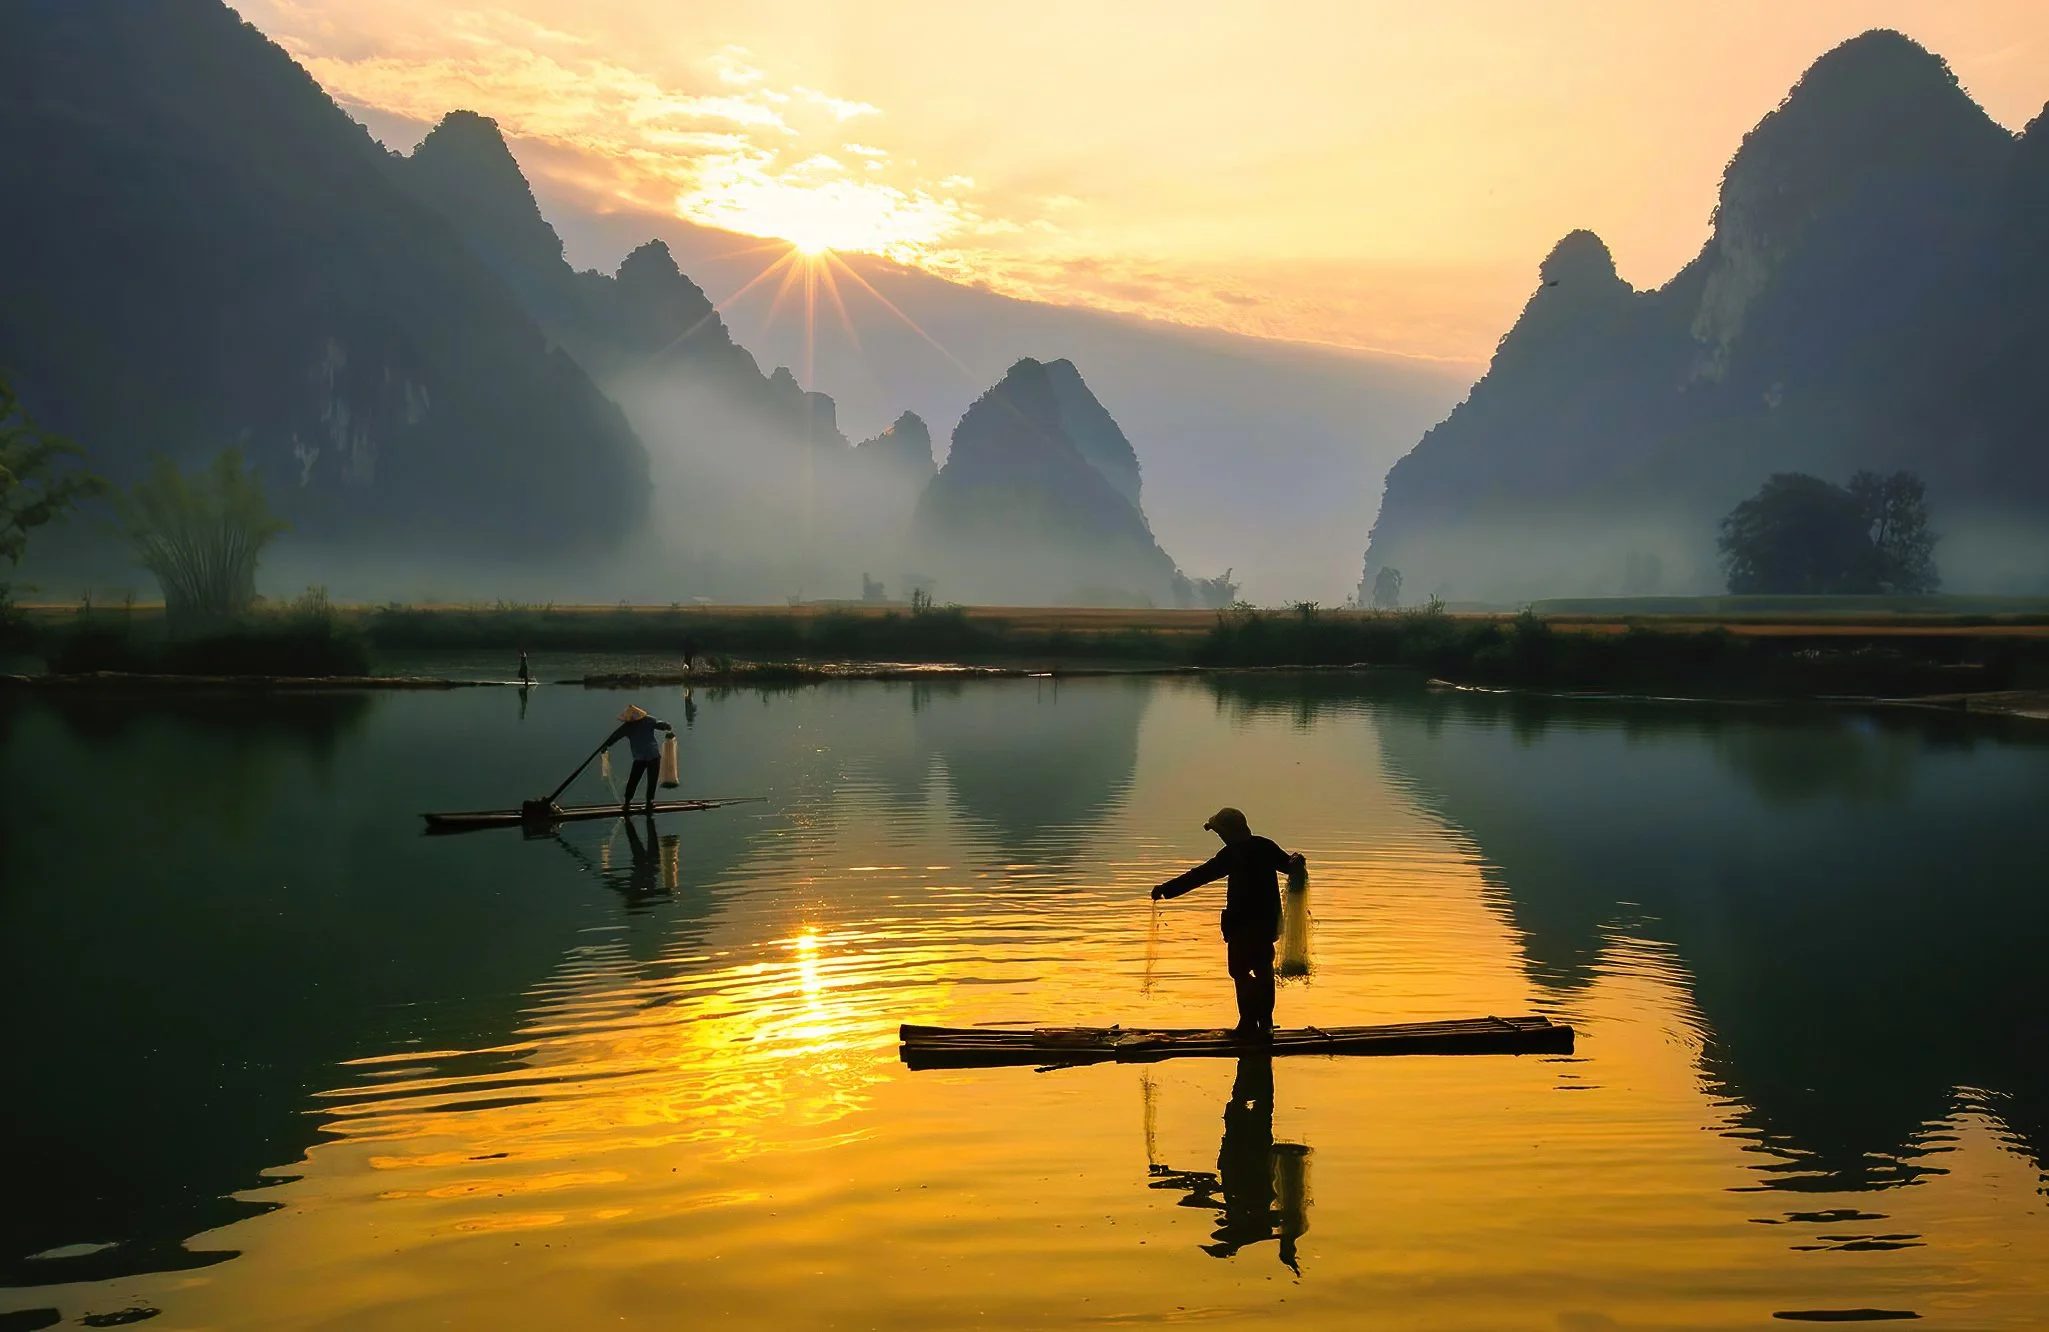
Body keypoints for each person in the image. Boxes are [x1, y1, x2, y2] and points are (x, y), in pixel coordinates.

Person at [1151, 807, 1306, 1038]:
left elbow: (1200, 875)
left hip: (1243, 926)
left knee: (1241, 972)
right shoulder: (1264, 846)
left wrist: (1166, 890)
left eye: (1220, 832)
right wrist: (1296, 861)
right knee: (1262, 971)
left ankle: (1249, 1024)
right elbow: (1289, 866)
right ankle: (1264, 1024)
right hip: (1265, 926)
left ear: (1230, 832)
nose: (1220, 837)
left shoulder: (1233, 853)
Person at [603, 704, 674, 815]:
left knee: (643, 780)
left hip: (649, 756)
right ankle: (633, 803)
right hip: (646, 756)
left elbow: (615, 736)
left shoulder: (635, 724)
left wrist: (606, 745)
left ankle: (641, 803)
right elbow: (615, 736)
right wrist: (606, 745)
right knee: (639, 780)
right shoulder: (637, 724)